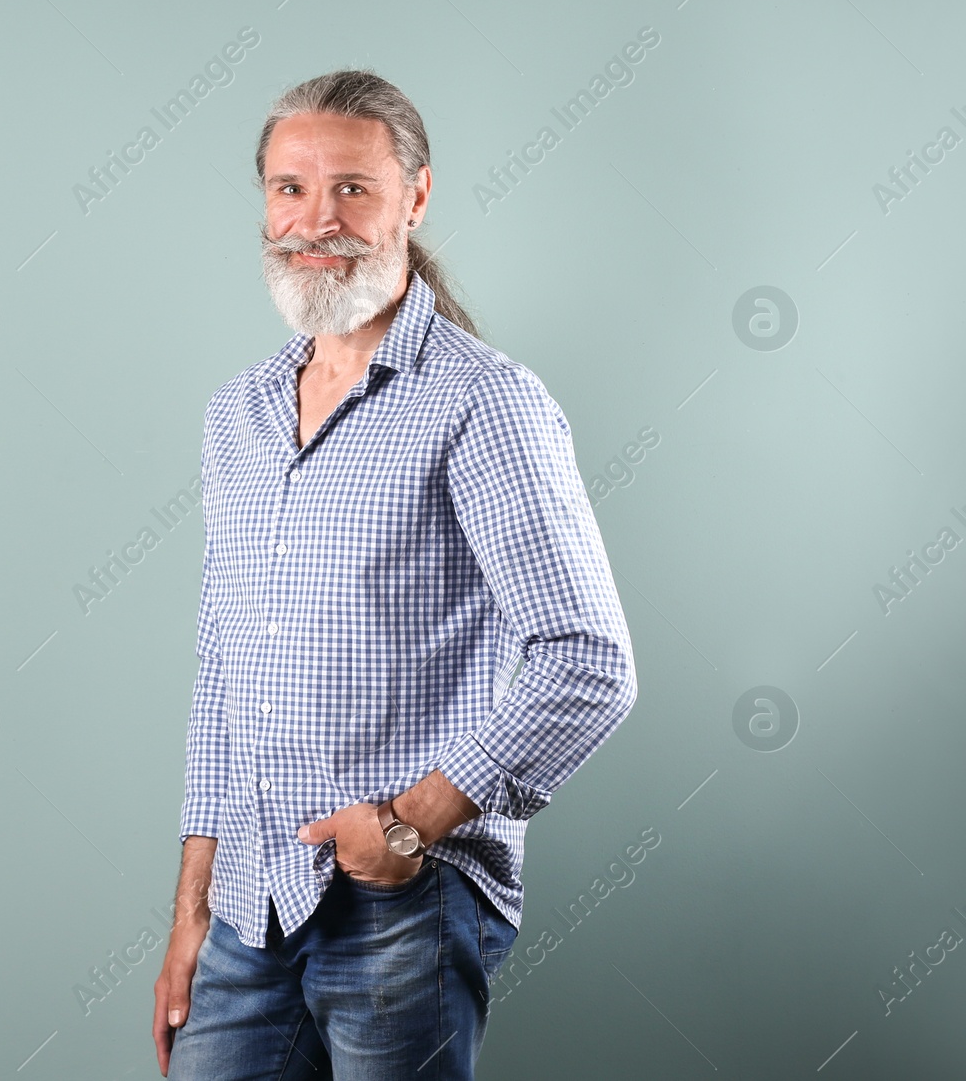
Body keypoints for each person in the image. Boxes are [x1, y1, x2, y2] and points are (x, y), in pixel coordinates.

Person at [152, 69, 639, 1080]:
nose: (313, 219)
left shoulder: (481, 403)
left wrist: (404, 825)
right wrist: (191, 909)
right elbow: (221, 671)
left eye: (351, 189)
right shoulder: (234, 415)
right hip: (246, 906)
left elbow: (585, 660)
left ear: (414, 199)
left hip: (397, 904)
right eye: (289, 188)